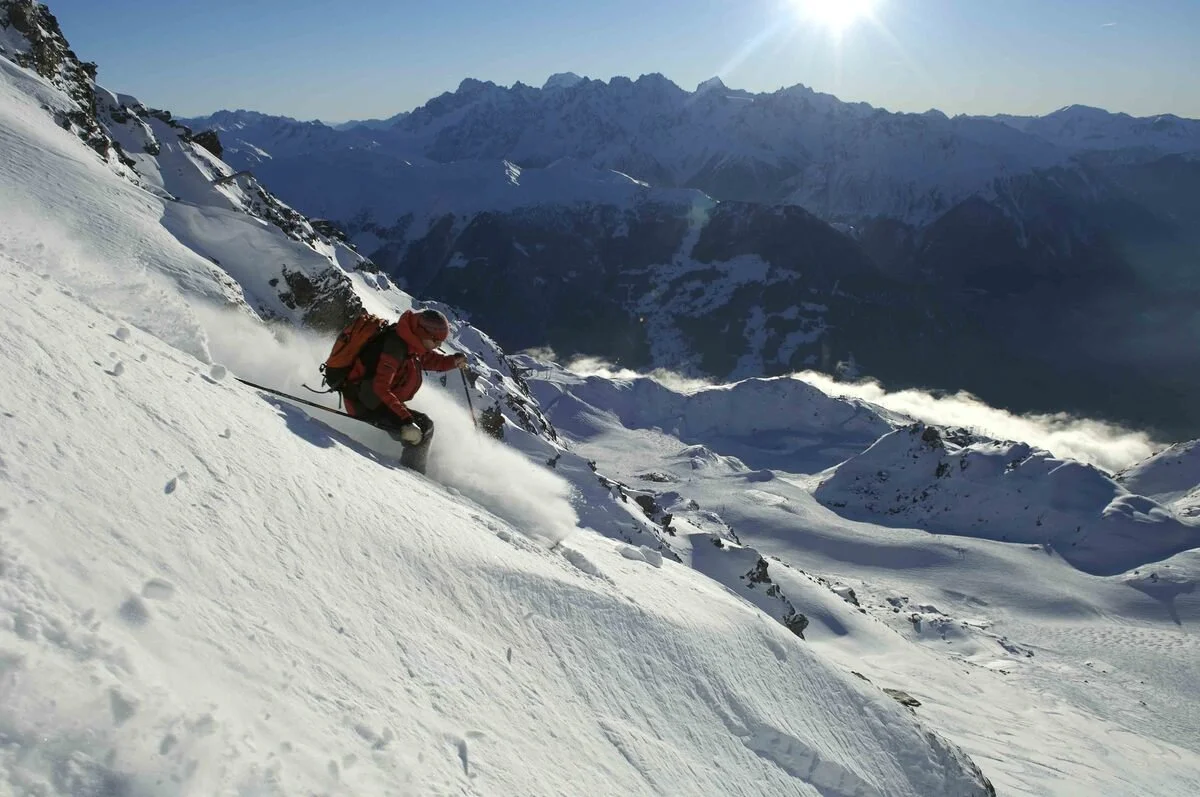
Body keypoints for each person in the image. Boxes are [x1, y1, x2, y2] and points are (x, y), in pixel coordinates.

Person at [340, 308, 467, 473]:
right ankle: (412, 476)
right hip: (365, 404)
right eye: (436, 341)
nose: (439, 345)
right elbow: (381, 387)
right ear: (423, 334)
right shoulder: (395, 349)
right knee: (422, 430)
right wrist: (406, 420)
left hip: (374, 399)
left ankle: (415, 461)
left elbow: (428, 360)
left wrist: (453, 361)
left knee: (424, 427)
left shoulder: (410, 342)